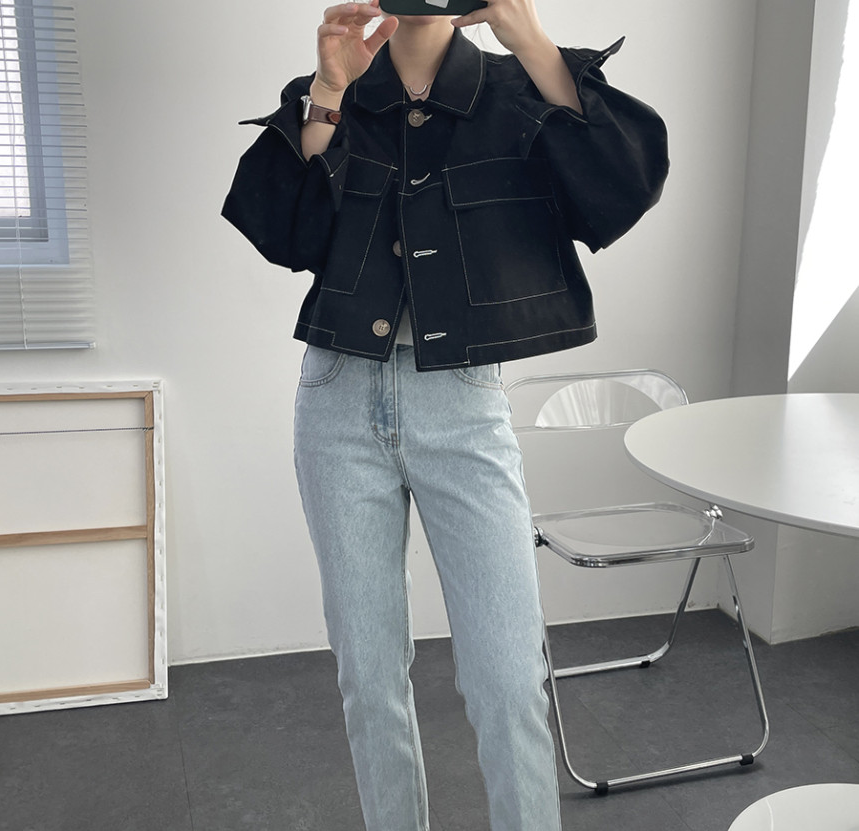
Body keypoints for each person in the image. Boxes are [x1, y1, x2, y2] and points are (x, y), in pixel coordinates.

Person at [222, 1, 668, 828]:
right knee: (368, 678)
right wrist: (328, 90)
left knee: (507, 678)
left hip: (462, 403)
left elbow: (619, 191)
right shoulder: (338, 89)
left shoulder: (521, 88)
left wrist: (528, 37)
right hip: (337, 401)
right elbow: (286, 234)